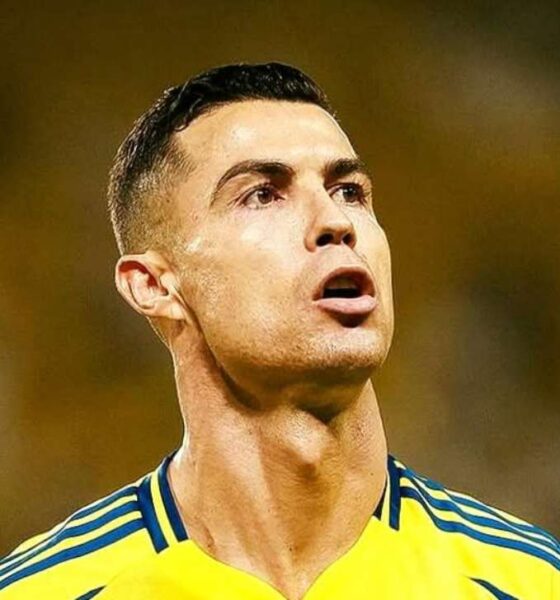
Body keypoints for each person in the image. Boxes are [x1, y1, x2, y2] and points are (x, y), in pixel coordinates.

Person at [0, 62, 558, 600]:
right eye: (262, 194)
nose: (336, 222)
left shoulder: (533, 582)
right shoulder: (43, 590)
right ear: (154, 286)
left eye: (349, 191)